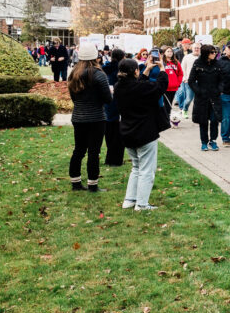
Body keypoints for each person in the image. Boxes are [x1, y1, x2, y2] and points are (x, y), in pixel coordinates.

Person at [114, 58, 168, 211]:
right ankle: (142, 204)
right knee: (146, 170)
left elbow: (139, 86)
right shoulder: (141, 88)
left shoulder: (119, 87)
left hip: (127, 132)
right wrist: (162, 70)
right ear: (135, 71)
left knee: (136, 167)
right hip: (145, 132)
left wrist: (146, 71)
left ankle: (130, 200)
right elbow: (159, 87)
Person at [67, 43, 112, 191]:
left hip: (78, 116)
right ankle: (92, 184)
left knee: (79, 150)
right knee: (94, 151)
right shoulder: (99, 74)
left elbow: (74, 97)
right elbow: (108, 99)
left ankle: (75, 182)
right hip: (96, 117)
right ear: (96, 57)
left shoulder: (74, 74)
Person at [188, 44, 223, 151]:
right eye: (212, 52)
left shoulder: (218, 64)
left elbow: (222, 80)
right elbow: (191, 81)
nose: (214, 54)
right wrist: (199, 91)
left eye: (215, 52)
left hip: (214, 96)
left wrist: (219, 90)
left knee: (214, 120)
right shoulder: (197, 63)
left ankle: (213, 141)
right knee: (203, 121)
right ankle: (204, 142)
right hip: (202, 97)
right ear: (206, 53)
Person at [102, 47, 126, 167]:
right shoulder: (122, 69)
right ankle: (116, 159)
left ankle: (109, 157)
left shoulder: (106, 67)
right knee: (118, 131)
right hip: (119, 100)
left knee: (109, 130)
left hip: (108, 101)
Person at [176, 43, 198, 118]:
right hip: (189, 81)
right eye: (195, 48)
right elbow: (183, 68)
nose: (197, 49)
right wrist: (184, 78)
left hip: (200, 82)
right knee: (189, 98)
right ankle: (184, 109)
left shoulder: (202, 57)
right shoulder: (187, 57)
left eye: (198, 48)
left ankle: (197, 114)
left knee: (199, 100)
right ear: (192, 48)